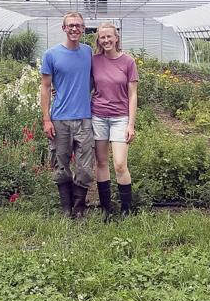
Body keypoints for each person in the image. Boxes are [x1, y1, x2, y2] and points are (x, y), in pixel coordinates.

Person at [41, 12, 94, 218]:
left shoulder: (88, 52)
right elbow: (45, 87)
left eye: (78, 26)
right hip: (60, 119)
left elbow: (93, 78)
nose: (74, 29)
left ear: (83, 29)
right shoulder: (51, 54)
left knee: (85, 168)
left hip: (84, 119)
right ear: (64, 28)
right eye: (70, 25)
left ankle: (79, 208)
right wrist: (46, 119)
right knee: (60, 165)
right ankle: (66, 208)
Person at [91, 22, 138, 218]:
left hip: (120, 118)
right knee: (101, 163)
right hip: (98, 116)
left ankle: (126, 209)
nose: (106, 40)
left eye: (109, 36)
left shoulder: (128, 62)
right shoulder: (93, 60)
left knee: (119, 164)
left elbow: (133, 95)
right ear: (99, 40)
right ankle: (106, 209)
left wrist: (131, 125)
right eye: (102, 37)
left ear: (116, 38)